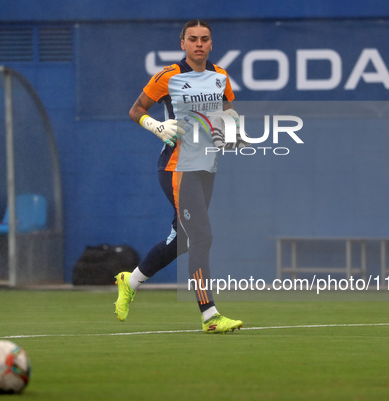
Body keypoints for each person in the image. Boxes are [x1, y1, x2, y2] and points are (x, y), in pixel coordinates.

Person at [114, 19, 243, 334]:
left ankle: (129, 282)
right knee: (202, 236)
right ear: (183, 43)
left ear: (211, 44)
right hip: (175, 167)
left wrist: (232, 128)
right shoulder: (168, 76)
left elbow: (227, 114)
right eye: (193, 39)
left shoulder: (221, 77)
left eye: (205, 39)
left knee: (182, 241)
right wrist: (156, 127)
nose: (199, 44)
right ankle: (210, 316)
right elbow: (136, 110)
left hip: (205, 168)